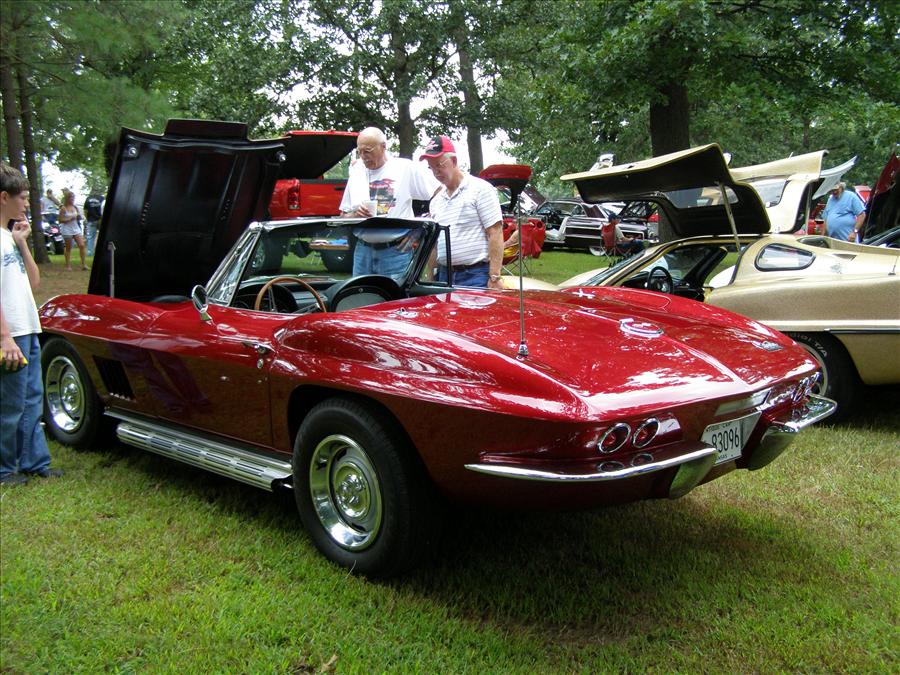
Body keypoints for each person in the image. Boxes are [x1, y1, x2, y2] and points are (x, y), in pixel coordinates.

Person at [1, 162, 62, 486]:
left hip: (28, 329)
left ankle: (34, 461)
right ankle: (4, 469)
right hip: (10, 334)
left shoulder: (9, 238)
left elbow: (34, 282)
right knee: (9, 404)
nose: (26, 204)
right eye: (22, 198)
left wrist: (22, 242)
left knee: (31, 399)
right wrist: (4, 337)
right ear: (4, 197)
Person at [340, 127, 439, 278]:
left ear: (383, 146)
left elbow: (440, 193)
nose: (363, 156)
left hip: (396, 252)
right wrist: (354, 215)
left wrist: (420, 229)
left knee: (395, 294)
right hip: (362, 251)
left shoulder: (404, 168)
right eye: (360, 152)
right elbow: (343, 215)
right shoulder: (357, 172)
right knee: (361, 293)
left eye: (367, 151)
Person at [421, 135, 504, 289]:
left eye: (439, 165)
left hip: (475, 275)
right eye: (431, 167)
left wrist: (494, 276)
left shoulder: (481, 189)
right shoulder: (436, 201)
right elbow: (435, 244)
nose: (436, 172)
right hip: (444, 276)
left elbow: (495, 232)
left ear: (454, 161)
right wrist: (430, 277)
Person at [57, 189, 88, 271]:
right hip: (67, 229)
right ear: (67, 198)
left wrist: (79, 217)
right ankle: (68, 265)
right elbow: (60, 220)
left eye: (73, 198)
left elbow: (79, 216)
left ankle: (83, 264)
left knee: (82, 245)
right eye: (71, 198)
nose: (73, 199)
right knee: (68, 247)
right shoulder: (63, 208)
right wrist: (69, 219)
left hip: (76, 228)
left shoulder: (75, 207)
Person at [83, 192, 104, 256]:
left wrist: (87, 219)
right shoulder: (102, 198)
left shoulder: (88, 199)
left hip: (91, 220)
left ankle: (90, 253)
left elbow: (85, 211)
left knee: (91, 237)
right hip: (100, 220)